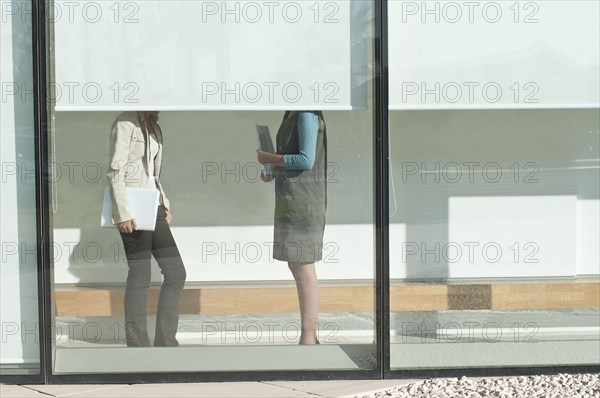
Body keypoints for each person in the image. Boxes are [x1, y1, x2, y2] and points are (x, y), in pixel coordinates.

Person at [107, 111, 186, 347]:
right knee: (141, 275)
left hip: (154, 205)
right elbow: (115, 169)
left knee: (176, 272)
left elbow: (152, 173)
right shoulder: (125, 122)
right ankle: (137, 344)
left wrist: (164, 203)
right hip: (132, 207)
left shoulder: (155, 127)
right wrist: (122, 212)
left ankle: (166, 343)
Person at [257, 110, 327, 345]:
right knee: (297, 264)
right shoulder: (292, 113)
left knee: (303, 266)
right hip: (291, 199)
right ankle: (309, 337)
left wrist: (271, 159)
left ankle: (308, 338)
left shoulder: (306, 114)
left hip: (302, 202)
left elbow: (306, 160)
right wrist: (273, 168)